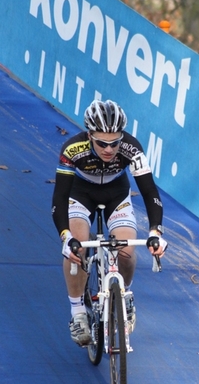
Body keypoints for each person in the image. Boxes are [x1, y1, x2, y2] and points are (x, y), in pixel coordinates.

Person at [52, 99, 167, 346]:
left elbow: (149, 192)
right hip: (80, 194)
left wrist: (156, 230)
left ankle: (124, 295)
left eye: (115, 143)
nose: (109, 149)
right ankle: (77, 313)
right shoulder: (73, 148)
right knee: (78, 248)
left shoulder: (131, 148)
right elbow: (59, 197)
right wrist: (66, 237)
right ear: (90, 135)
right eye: (102, 143)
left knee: (126, 250)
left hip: (117, 194)